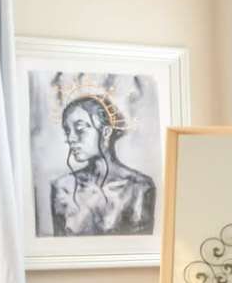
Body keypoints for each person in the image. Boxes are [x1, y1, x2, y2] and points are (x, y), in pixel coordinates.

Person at [48, 88, 156, 237]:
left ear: (106, 132)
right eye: (67, 131)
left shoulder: (138, 187)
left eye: (79, 129)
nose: (70, 138)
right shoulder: (62, 187)